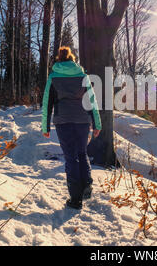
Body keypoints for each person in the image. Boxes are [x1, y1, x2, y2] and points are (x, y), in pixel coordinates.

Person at [41, 46, 101, 210]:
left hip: (63, 121)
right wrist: (97, 124)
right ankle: (86, 184)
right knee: (82, 153)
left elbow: (48, 103)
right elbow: (92, 102)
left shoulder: (53, 77)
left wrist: (45, 126)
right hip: (82, 121)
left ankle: (75, 199)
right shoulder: (83, 76)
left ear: (59, 60)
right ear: (73, 60)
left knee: (70, 157)